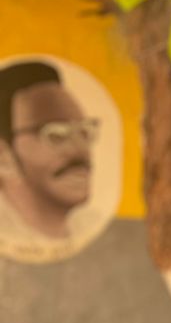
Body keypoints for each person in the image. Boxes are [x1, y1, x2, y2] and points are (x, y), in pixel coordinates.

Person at [0, 60, 102, 263]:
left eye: (84, 131)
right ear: (4, 156)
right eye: (55, 135)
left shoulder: (88, 223)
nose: (80, 150)